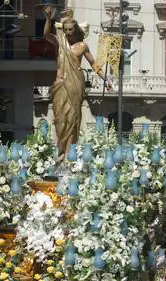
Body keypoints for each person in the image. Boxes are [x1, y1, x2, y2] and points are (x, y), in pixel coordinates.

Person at [43, 5, 111, 163]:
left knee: (73, 118)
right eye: (65, 30)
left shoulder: (82, 46)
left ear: (76, 30)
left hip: (75, 85)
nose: (67, 33)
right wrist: (48, 18)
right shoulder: (59, 43)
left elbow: (94, 64)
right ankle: (60, 152)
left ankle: (68, 155)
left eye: (70, 30)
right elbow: (46, 34)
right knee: (60, 119)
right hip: (60, 85)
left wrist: (105, 78)